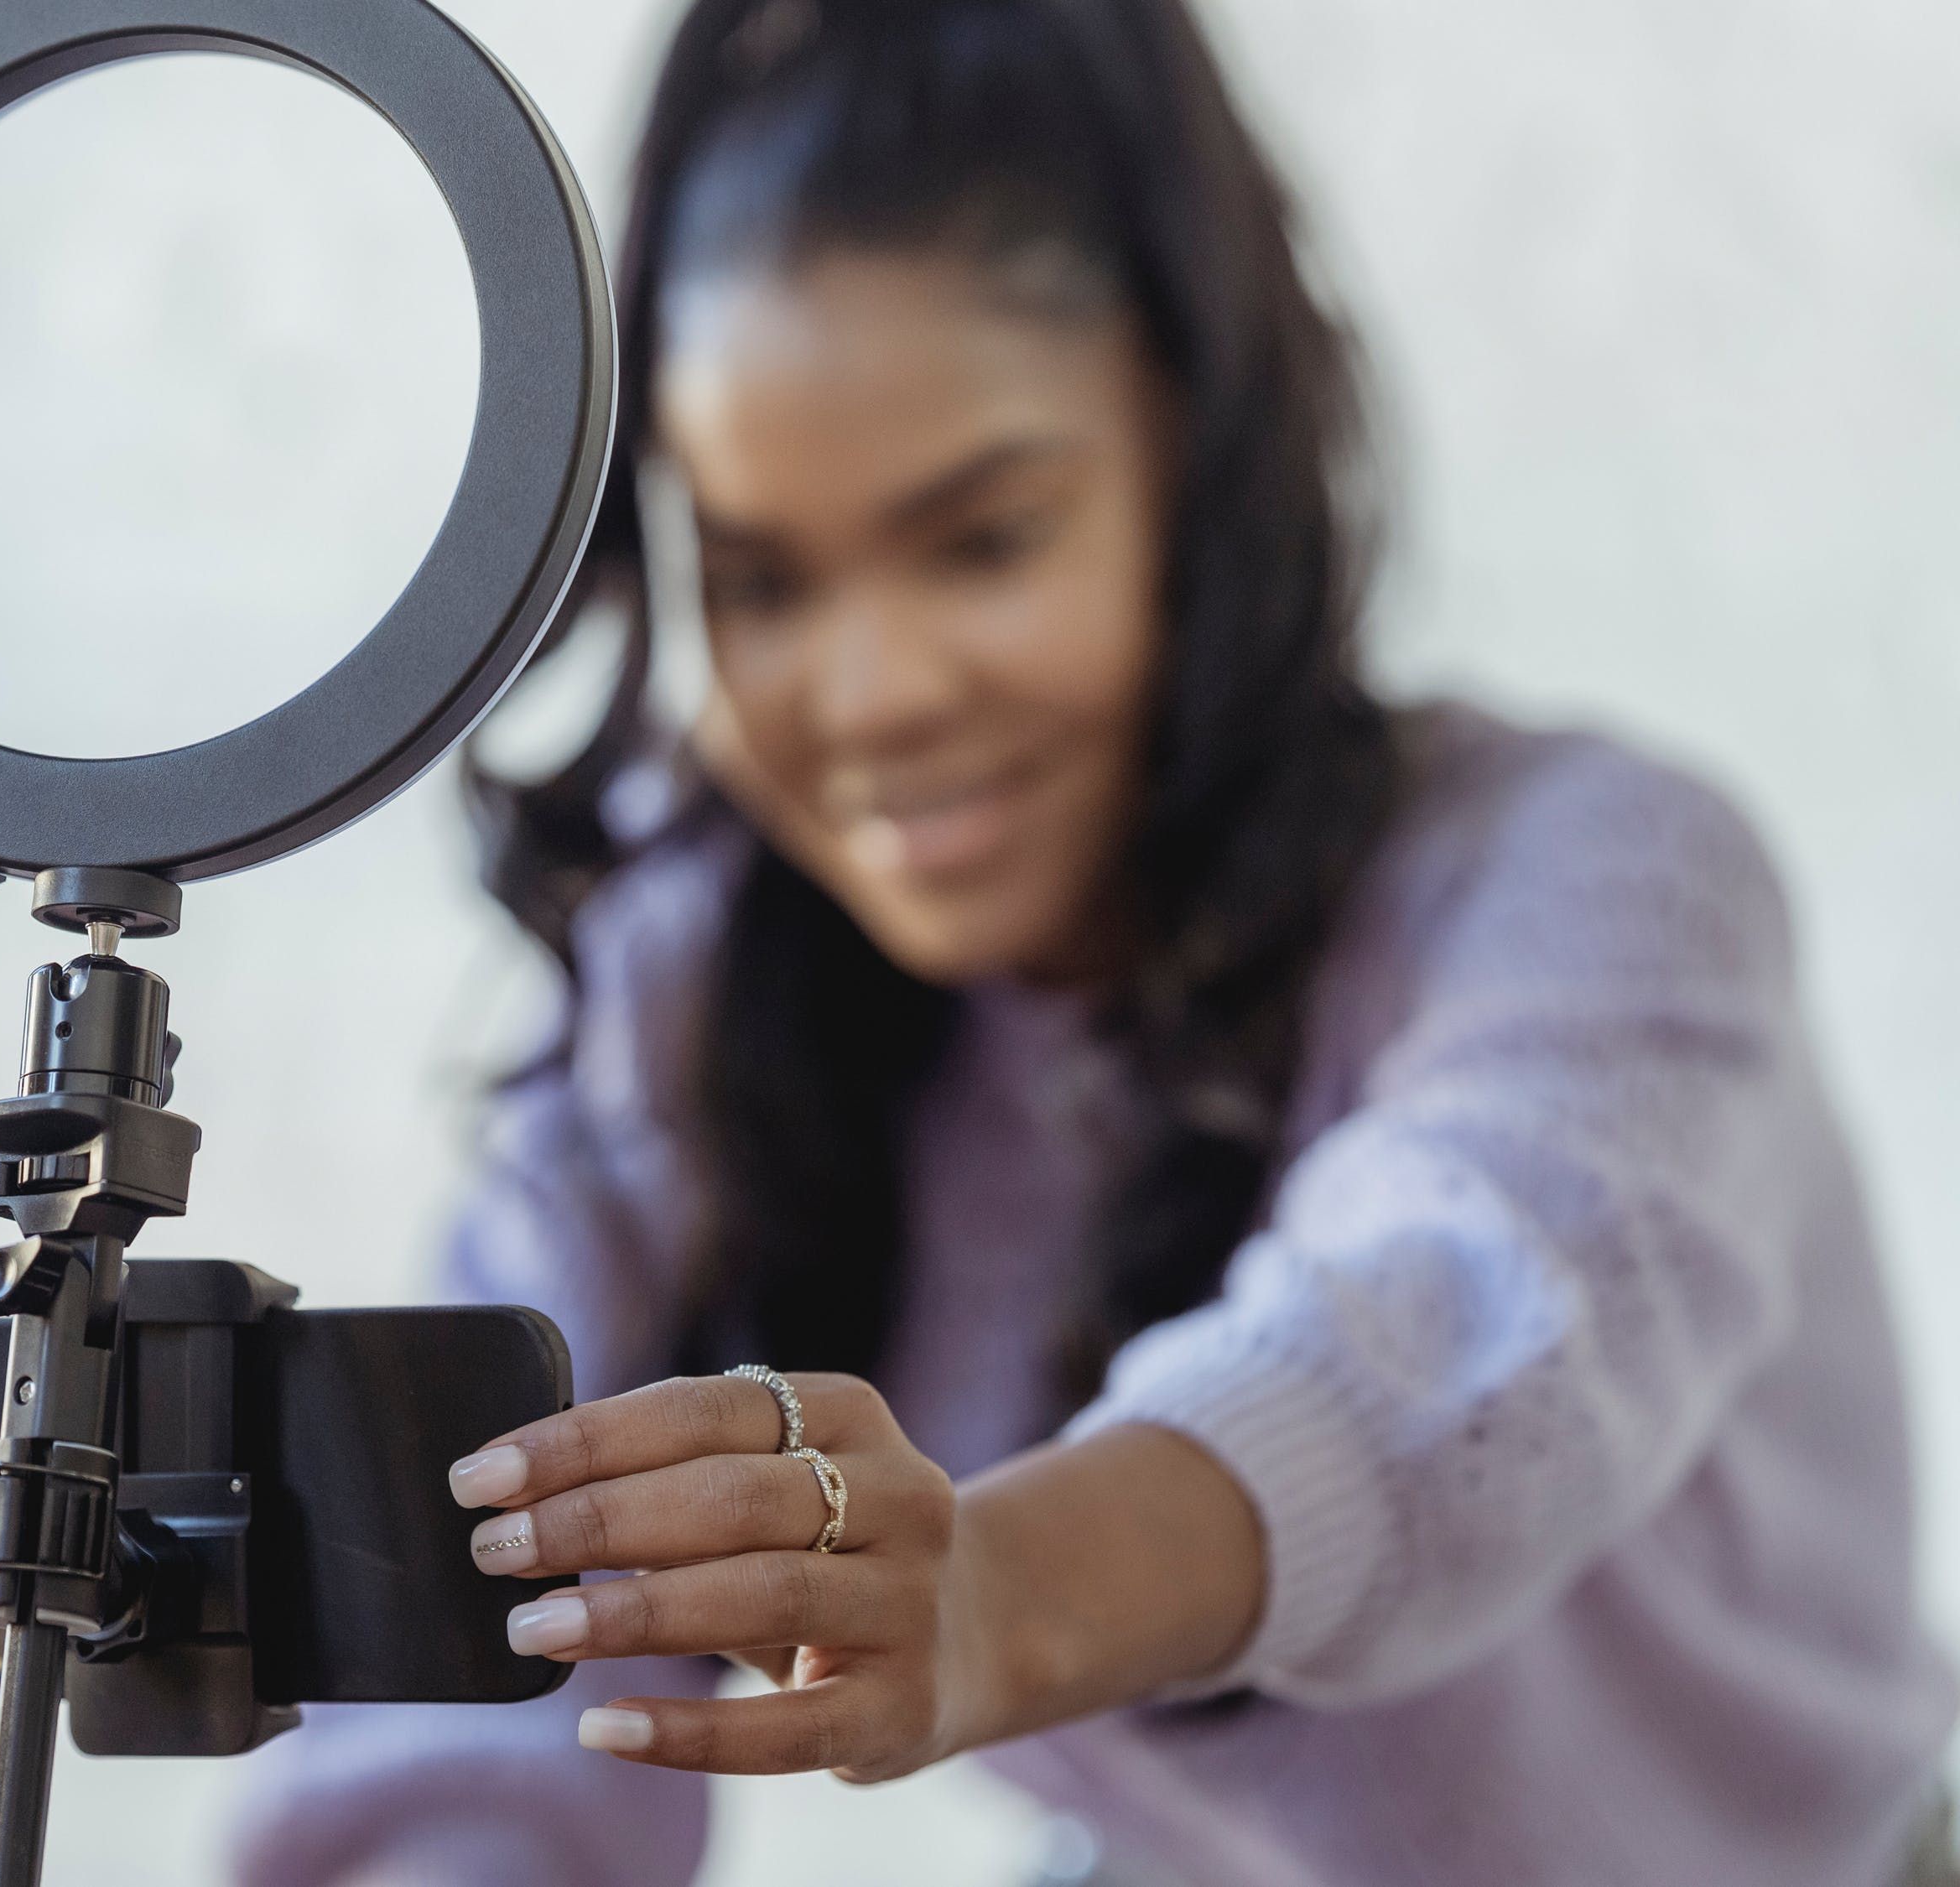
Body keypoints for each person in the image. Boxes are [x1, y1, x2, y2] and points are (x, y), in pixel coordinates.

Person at [231, 1, 1955, 1882]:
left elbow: (1445, 1341)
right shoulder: (690, 988)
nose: (870, 695)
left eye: (982, 540)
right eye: (763, 583)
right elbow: (466, 1677)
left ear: (1193, 468)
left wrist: (987, 1595)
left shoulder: (1598, 883)